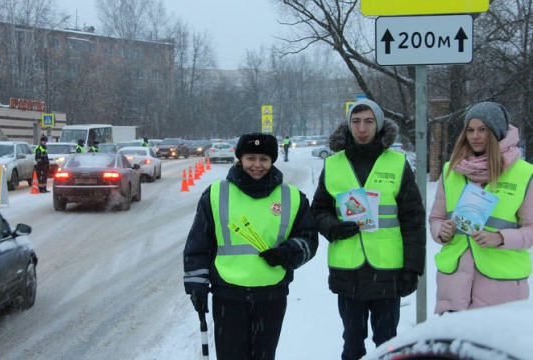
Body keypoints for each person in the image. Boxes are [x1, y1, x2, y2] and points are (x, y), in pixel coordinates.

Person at [183, 132, 319, 360]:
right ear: (240, 159)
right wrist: (196, 284)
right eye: (251, 158)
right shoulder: (217, 194)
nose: (257, 165)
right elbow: (199, 243)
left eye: (264, 159)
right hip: (228, 294)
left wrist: (287, 253)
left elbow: (309, 239)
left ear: (272, 160)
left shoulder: (292, 197)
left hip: (271, 294)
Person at [311, 99, 426, 360]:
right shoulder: (333, 164)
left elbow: (413, 219)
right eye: (356, 122)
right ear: (348, 126)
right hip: (347, 270)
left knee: (387, 342)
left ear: (379, 125)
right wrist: (334, 228)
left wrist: (412, 268)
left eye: (369, 122)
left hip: (388, 269)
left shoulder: (397, 163)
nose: (362, 128)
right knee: (352, 342)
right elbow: (318, 210)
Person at [429, 101, 533, 315]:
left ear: (496, 132)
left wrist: (501, 238)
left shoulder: (524, 174)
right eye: (470, 130)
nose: (475, 136)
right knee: (454, 347)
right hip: (454, 284)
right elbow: (436, 218)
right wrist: (441, 231)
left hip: (501, 285)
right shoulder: (451, 170)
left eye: (483, 130)